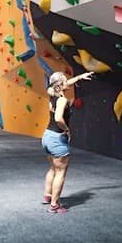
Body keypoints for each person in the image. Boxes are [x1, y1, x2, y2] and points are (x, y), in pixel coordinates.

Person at [41, 69, 94, 213]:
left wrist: (79, 77)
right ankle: (54, 205)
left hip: (47, 136)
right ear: (60, 84)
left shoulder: (51, 92)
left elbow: (64, 83)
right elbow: (58, 118)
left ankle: (47, 195)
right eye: (65, 80)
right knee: (61, 172)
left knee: (53, 168)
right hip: (57, 138)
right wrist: (67, 130)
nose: (67, 82)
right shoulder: (62, 100)